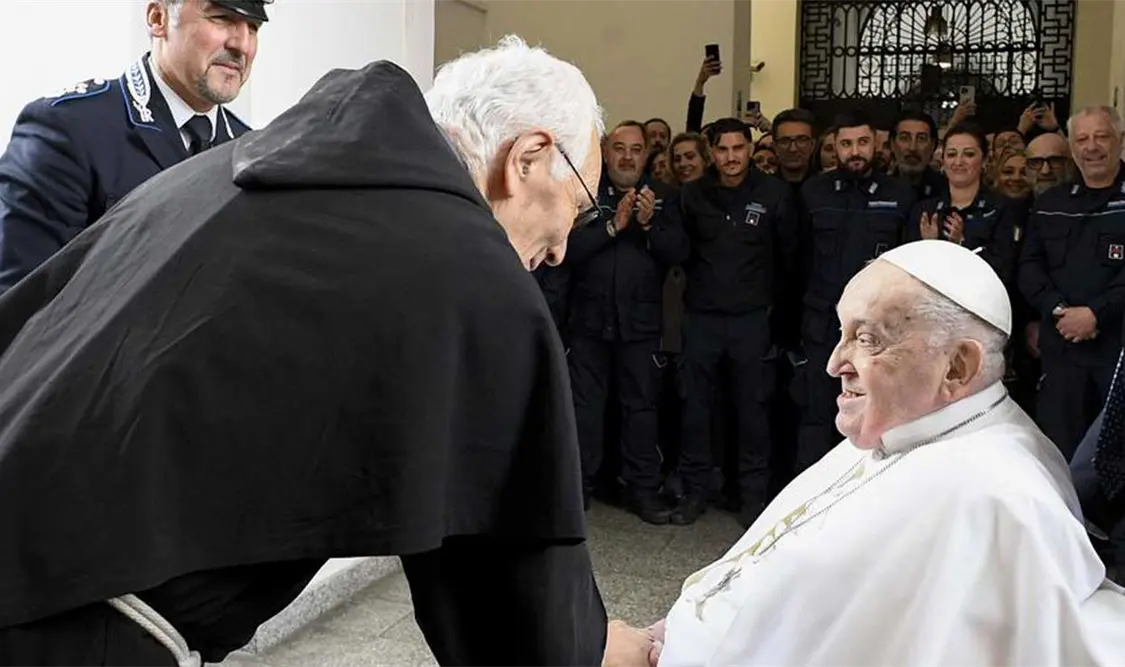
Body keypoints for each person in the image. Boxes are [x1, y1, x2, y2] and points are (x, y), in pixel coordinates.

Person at [0, 36, 618, 667]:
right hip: (67, 617)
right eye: (583, 203)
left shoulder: (231, 168)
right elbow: (496, 557)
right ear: (529, 157)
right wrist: (586, 648)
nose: (566, 245)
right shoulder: (469, 271)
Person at [606, 240, 1125, 666]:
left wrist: (657, 658)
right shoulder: (914, 427)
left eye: (867, 340)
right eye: (840, 334)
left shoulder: (989, 494)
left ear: (958, 367)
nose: (835, 364)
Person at [0, 0, 265, 295]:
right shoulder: (69, 128)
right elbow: (17, 305)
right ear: (158, 18)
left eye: (253, 27)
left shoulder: (254, 153)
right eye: (222, 18)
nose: (242, 45)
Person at [656, 117, 798, 527]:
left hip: (752, 321)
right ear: (711, 153)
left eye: (739, 148)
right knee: (696, 408)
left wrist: (778, 318)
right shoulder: (692, 195)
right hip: (701, 318)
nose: (731, 157)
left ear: (750, 149)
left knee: (753, 409)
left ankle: (753, 497)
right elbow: (676, 252)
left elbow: (789, 260)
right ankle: (695, 491)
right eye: (722, 150)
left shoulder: (775, 194)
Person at [563, 120, 678, 523]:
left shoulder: (664, 197)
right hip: (589, 322)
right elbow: (566, 251)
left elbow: (679, 252)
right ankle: (577, 491)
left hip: (641, 325)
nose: (627, 157)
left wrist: (648, 225)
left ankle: (642, 490)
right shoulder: (583, 195)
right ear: (606, 152)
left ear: (647, 155)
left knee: (641, 409)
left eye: (635, 149)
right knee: (584, 411)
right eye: (619, 148)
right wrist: (614, 226)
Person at [795, 112, 915, 473]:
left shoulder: (899, 195)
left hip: (877, 331)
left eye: (862, 143)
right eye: (846, 144)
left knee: (875, 416)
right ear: (834, 148)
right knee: (816, 416)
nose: (855, 152)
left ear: (876, 145)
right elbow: (795, 260)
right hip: (822, 324)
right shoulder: (813, 193)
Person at [1019, 105, 1125, 459]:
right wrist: (1060, 309)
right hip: (1063, 355)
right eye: (1082, 139)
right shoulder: (1050, 204)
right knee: (1060, 457)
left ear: (1120, 141)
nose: (1091, 147)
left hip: (1117, 353)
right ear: (1072, 148)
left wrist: (1096, 314)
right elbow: (1030, 267)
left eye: (1101, 137)